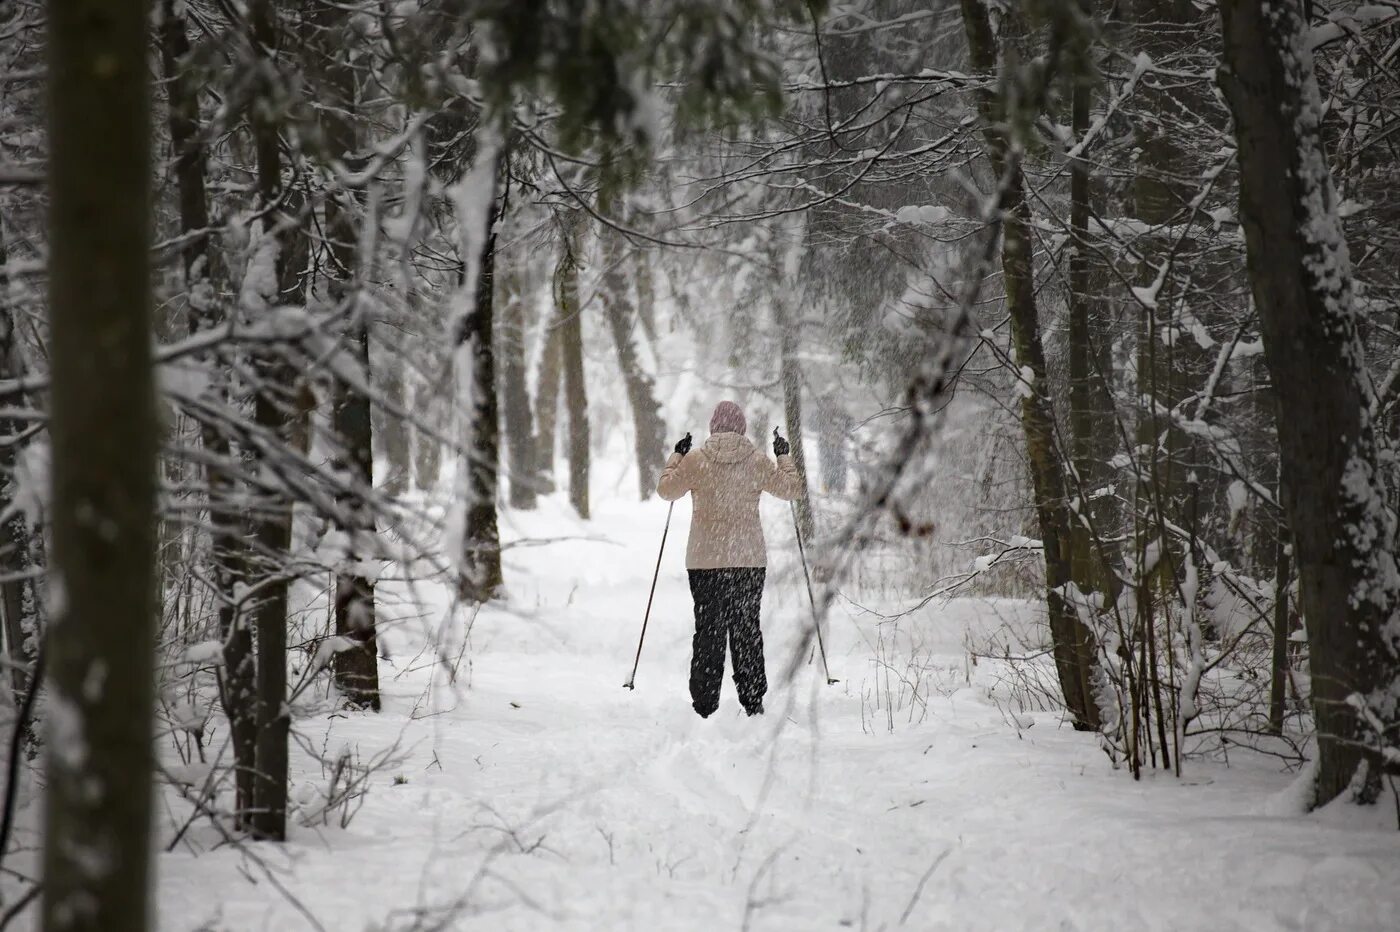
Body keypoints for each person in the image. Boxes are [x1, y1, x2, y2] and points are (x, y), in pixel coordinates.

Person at [656, 401, 803, 718]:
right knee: (746, 628)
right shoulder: (757, 462)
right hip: (747, 562)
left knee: (708, 630)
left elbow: (666, 490)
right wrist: (783, 456)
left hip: (704, 562)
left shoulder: (696, 461)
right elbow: (792, 489)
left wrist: (677, 456)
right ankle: (752, 700)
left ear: (713, 428)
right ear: (742, 429)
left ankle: (705, 704)